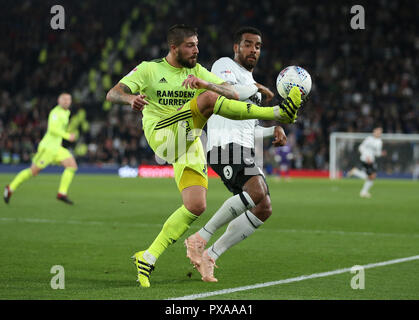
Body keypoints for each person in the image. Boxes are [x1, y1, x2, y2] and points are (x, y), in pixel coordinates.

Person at [106, 24, 302, 287]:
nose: (197, 50)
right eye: (190, 45)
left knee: (196, 205)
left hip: (189, 141)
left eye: (197, 44)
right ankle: (278, 113)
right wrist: (129, 100)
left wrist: (252, 86)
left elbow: (230, 93)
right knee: (209, 99)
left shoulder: (196, 71)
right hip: (164, 135)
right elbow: (113, 93)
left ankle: (148, 257)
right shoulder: (149, 69)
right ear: (174, 47)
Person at [184, 26, 289, 282]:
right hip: (223, 146)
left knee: (263, 207)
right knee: (256, 192)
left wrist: (272, 130)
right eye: (248, 44)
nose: (253, 49)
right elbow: (228, 91)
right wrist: (253, 88)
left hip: (243, 147)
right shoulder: (224, 66)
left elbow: (250, 128)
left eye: (258, 46)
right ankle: (199, 239)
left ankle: (211, 255)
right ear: (236, 47)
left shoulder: (252, 87)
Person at [4, 93, 78, 205]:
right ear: (59, 101)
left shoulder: (66, 112)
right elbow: (52, 129)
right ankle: (10, 188)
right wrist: (68, 136)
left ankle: (62, 193)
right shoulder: (55, 113)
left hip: (57, 148)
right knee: (33, 172)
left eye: (69, 100)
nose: (67, 101)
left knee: (72, 165)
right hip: (47, 148)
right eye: (64, 99)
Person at [348, 126, 385, 198]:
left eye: (380, 132)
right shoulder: (369, 139)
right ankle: (363, 190)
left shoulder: (379, 142)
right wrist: (366, 156)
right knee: (372, 176)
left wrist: (381, 154)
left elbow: (377, 153)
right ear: (374, 132)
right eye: (377, 131)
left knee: (371, 177)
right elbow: (361, 147)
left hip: (371, 160)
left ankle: (363, 191)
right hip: (365, 159)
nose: (378, 133)